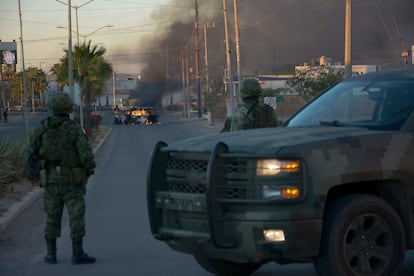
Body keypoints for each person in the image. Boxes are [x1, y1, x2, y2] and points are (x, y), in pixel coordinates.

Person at [27, 92, 96, 265]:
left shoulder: (43, 127)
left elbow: (31, 154)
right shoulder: (73, 129)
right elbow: (86, 155)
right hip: (72, 182)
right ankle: (77, 253)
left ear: (51, 108)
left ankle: (51, 254)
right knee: (76, 216)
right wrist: (87, 172)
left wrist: (34, 175)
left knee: (52, 216)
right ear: (68, 108)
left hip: (51, 182)